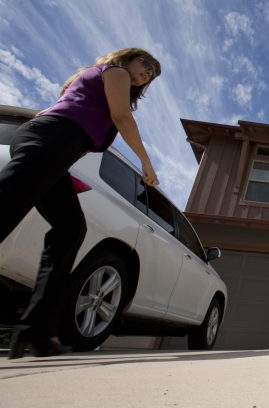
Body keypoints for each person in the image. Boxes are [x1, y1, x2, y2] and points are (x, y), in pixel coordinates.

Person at [0, 47, 161, 359]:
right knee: (6, 209)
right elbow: (121, 116)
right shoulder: (114, 73)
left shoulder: (91, 77)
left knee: (71, 229)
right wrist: (145, 161)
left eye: (151, 74)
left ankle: (36, 329)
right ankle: (36, 330)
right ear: (128, 57)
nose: (147, 73)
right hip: (50, 140)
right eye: (146, 64)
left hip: (55, 146)